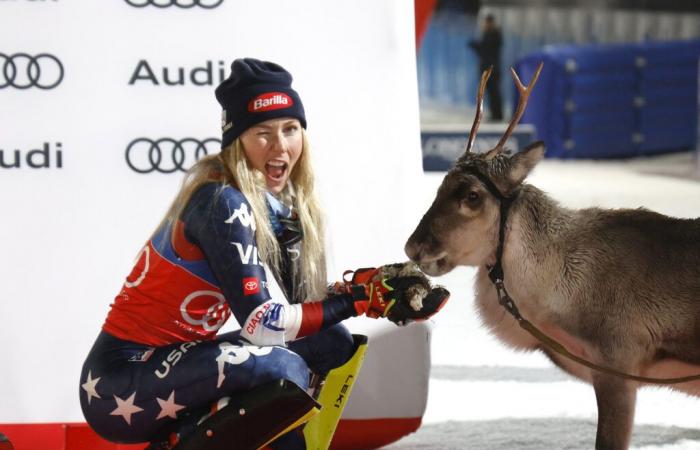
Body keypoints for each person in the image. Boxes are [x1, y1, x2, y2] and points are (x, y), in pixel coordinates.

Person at [79, 58, 447, 450]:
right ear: (237, 140)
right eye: (262, 132)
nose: (280, 146)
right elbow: (262, 323)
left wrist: (364, 290)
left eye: (290, 129)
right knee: (280, 365)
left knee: (331, 342)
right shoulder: (221, 201)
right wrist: (357, 300)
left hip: (170, 364)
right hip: (119, 382)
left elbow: (301, 308)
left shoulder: (271, 205)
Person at [468, 14, 503, 121]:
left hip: (492, 69)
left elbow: (486, 50)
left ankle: (497, 115)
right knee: (491, 92)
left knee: (494, 92)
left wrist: (476, 46)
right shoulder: (489, 34)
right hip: (487, 68)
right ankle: (495, 113)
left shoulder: (494, 35)